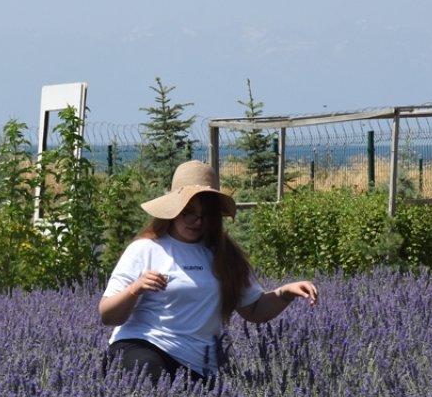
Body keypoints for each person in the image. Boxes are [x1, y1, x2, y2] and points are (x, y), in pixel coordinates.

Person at [99, 160, 318, 383]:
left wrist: (285, 293)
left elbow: (254, 309)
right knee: (148, 375)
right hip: (143, 345)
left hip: (199, 363)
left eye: (206, 215)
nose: (197, 221)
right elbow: (107, 314)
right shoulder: (146, 249)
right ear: (173, 212)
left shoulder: (225, 255)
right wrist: (134, 289)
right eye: (189, 213)